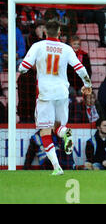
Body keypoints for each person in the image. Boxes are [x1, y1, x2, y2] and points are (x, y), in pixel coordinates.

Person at [18, 20, 93, 176]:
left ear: (45, 32)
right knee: (58, 126)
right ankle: (65, 132)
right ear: (60, 33)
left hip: (45, 93)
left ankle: (57, 167)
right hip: (62, 93)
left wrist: (33, 66)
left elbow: (23, 68)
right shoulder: (66, 48)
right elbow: (80, 68)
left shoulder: (37, 46)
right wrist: (88, 84)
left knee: (45, 131)